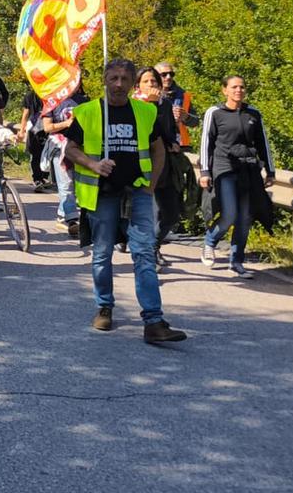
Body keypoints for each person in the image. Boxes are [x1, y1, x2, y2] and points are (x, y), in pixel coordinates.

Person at [63, 59, 186, 345]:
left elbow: (158, 149)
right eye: (113, 78)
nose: (118, 84)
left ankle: (153, 321)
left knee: (144, 253)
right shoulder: (88, 112)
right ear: (105, 80)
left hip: (137, 192)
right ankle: (104, 306)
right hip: (101, 193)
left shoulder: (145, 112)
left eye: (124, 79)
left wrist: (151, 185)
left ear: (132, 83)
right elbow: (71, 149)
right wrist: (93, 165)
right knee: (102, 254)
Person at [199, 76, 276, 278]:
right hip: (224, 168)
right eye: (234, 87)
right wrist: (205, 171)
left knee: (245, 218)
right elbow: (206, 143)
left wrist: (270, 171)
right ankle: (210, 241)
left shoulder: (253, 113)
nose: (238, 90)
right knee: (230, 214)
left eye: (242, 87)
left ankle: (236, 262)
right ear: (224, 90)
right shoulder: (214, 112)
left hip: (248, 169)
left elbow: (263, 143)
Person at [134, 67, 181, 263]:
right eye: (145, 81)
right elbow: (145, 130)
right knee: (151, 213)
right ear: (137, 85)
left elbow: (169, 129)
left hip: (164, 164)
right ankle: (149, 252)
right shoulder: (134, 104)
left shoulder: (165, 103)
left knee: (171, 214)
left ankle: (153, 245)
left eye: (153, 81)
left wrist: (173, 142)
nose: (150, 85)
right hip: (142, 165)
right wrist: (151, 103)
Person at [42, 86, 87, 238]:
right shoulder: (51, 102)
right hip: (59, 146)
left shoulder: (84, 101)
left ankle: (62, 215)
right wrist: (67, 123)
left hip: (80, 147)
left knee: (79, 184)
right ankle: (73, 221)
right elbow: (47, 127)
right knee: (66, 184)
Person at [155, 62, 199, 151]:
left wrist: (186, 117)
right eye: (164, 74)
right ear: (155, 76)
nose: (168, 77)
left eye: (171, 74)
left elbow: (196, 122)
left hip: (180, 146)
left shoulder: (184, 95)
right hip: (155, 144)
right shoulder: (147, 95)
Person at [18, 89, 50, 192]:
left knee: (41, 154)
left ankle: (41, 178)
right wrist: (22, 131)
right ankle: (39, 178)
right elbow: (26, 114)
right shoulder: (31, 95)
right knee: (38, 154)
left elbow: (25, 114)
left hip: (42, 127)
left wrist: (22, 130)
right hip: (37, 128)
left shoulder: (49, 93)